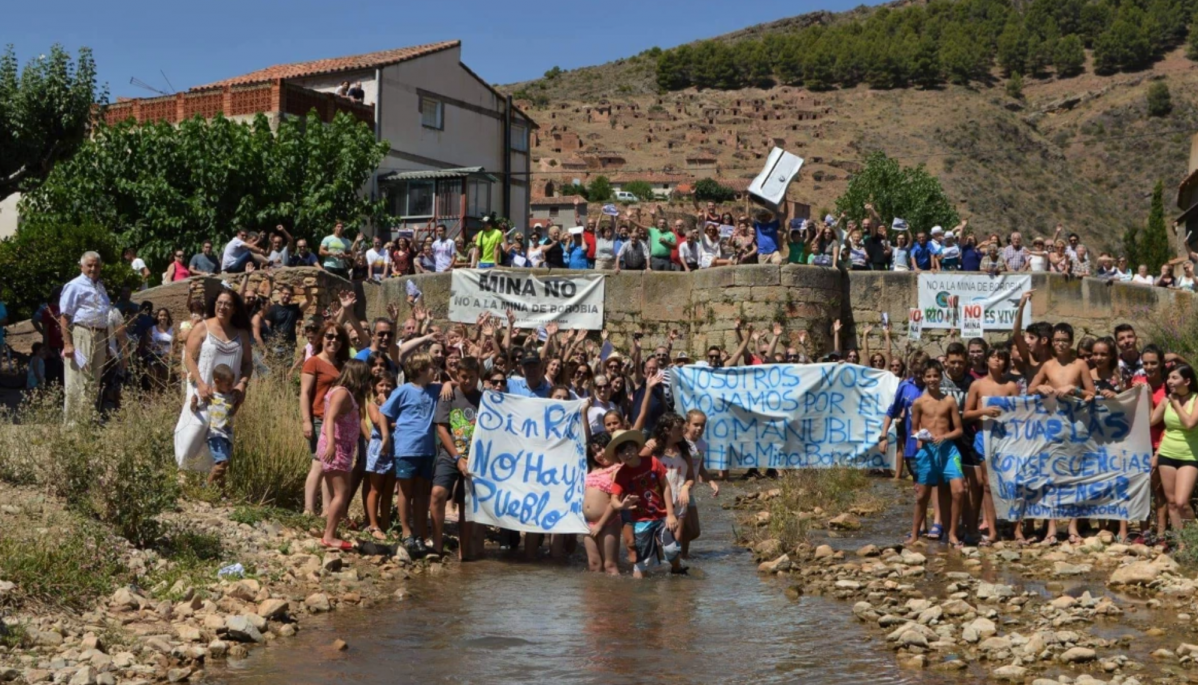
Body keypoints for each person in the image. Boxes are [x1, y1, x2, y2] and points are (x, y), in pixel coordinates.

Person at [174, 288, 253, 476]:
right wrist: (200, 383)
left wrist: (242, 384)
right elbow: (189, 358)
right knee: (195, 428)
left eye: (228, 304)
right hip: (201, 388)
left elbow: (248, 364)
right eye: (220, 303)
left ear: (234, 309)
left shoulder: (241, 334)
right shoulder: (202, 327)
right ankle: (183, 472)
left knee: (219, 433)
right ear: (214, 304)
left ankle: (208, 477)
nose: (223, 307)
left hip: (227, 395)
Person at [381, 352, 443, 558]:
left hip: (427, 450)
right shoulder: (404, 390)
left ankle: (420, 533)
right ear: (420, 371)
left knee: (422, 492)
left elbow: (450, 386)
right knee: (405, 492)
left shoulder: (434, 389)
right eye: (431, 367)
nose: (435, 371)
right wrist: (385, 437)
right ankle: (407, 531)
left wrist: (449, 384)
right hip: (407, 447)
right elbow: (384, 412)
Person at [609, 428, 684, 578]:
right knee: (641, 566)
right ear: (618, 456)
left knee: (671, 550)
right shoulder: (621, 474)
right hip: (641, 521)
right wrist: (622, 506)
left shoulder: (652, 462)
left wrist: (670, 514)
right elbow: (613, 501)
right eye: (622, 452)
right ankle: (643, 595)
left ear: (637, 448)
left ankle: (677, 570)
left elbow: (666, 486)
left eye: (630, 449)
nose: (627, 454)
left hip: (662, 516)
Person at [963, 348, 1019, 546]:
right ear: (987, 360)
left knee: (1010, 482)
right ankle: (992, 530)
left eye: (1001, 358)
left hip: (1005, 438)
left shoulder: (1011, 386)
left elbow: (1019, 414)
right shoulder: (977, 385)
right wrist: (983, 411)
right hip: (983, 436)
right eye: (994, 356)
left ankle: (1015, 529)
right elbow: (966, 414)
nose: (998, 360)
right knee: (987, 484)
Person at [430, 356, 483, 560]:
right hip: (450, 454)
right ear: (457, 376)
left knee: (466, 504)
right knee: (437, 493)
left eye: (471, 377)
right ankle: (437, 546)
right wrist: (457, 458)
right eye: (463, 377)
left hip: (475, 458)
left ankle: (464, 553)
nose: (467, 381)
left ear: (478, 376)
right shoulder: (448, 395)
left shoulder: (484, 399)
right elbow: (442, 429)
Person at [909, 361, 966, 547]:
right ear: (923, 378)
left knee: (958, 490)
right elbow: (913, 429)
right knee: (922, 495)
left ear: (941, 377)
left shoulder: (949, 401)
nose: (932, 379)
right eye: (928, 376)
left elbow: (958, 430)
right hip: (928, 451)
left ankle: (952, 533)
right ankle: (914, 534)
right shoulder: (918, 403)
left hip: (948, 449)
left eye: (935, 375)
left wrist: (945, 436)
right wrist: (921, 437)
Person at [316, 359, 371, 551]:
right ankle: (329, 536)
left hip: (344, 448)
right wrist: (331, 443)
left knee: (339, 492)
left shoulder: (343, 392)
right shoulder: (342, 393)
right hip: (336, 447)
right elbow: (329, 418)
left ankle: (333, 528)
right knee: (341, 493)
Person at [301, 322, 350, 516]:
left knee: (330, 467)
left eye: (338, 338)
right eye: (329, 336)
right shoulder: (313, 362)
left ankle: (326, 511)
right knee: (319, 463)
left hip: (337, 421)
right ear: (322, 338)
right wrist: (306, 421)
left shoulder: (341, 365)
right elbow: (304, 393)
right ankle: (308, 509)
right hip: (319, 417)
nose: (333, 341)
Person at [59, 252, 114, 422]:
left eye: (96, 265)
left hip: (99, 335)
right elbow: (64, 317)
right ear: (81, 266)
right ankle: (73, 425)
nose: (93, 268)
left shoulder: (101, 287)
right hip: (82, 334)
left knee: (94, 380)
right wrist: (68, 344)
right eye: (89, 265)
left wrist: (106, 345)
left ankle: (87, 420)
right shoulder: (74, 285)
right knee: (77, 378)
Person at [1152, 363, 1198, 547]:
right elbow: (1150, 421)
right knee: (1171, 503)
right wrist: (1146, 396)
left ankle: (1193, 541)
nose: (1169, 381)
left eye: (1174, 378)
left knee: (1182, 502)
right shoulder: (1165, 400)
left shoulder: (1196, 399)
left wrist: (1176, 403)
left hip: (1189, 455)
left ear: (1187, 381)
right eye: (1168, 378)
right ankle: (1182, 546)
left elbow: (1189, 424)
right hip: (1167, 453)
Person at [190, 363, 238, 489]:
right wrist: (193, 403)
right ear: (217, 381)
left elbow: (232, 411)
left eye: (232, 383)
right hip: (215, 433)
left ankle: (221, 492)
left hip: (228, 435)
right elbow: (196, 410)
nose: (231, 386)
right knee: (222, 462)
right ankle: (206, 487)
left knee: (224, 466)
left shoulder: (230, 396)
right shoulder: (210, 396)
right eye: (228, 384)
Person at [363, 372, 397, 540]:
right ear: (375, 387)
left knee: (389, 489)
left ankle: (385, 523)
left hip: (395, 447)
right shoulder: (372, 405)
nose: (385, 388)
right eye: (381, 385)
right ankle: (373, 524)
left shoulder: (396, 404)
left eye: (389, 385)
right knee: (375, 488)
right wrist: (386, 405)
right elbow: (377, 421)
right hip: (379, 447)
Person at [584, 433, 622, 575]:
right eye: (594, 453)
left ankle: (615, 596)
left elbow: (614, 501)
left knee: (610, 565)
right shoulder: (592, 470)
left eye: (601, 449)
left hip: (608, 522)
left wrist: (600, 525)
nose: (599, 455)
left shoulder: (617, 469)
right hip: (587, 523)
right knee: (594, 565)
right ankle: (595, 596)